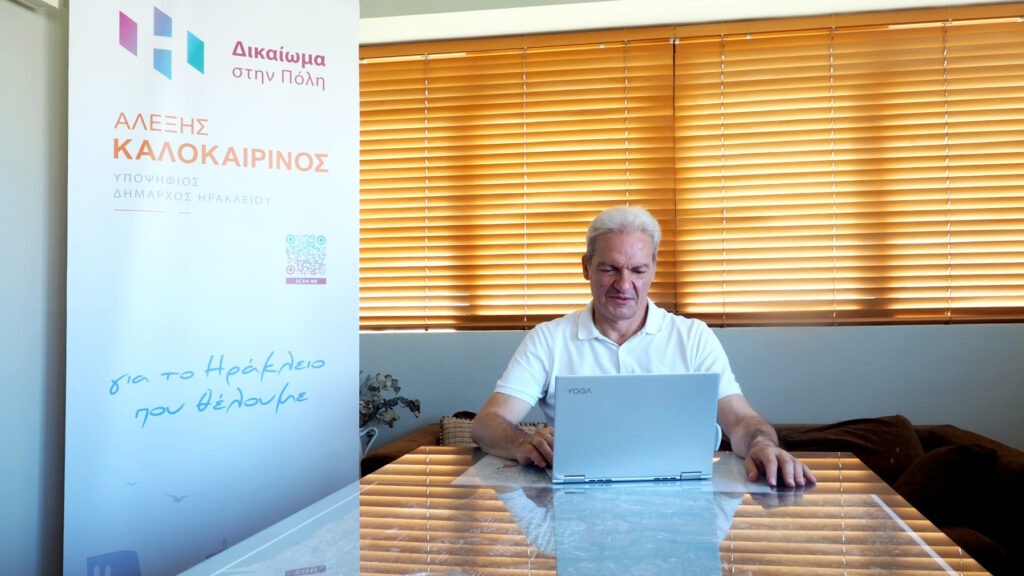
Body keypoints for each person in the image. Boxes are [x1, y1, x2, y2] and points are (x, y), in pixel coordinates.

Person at [471, 205, 816, 488]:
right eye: (610, 269)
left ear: (653, 269)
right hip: (577, 498)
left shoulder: (693, 336)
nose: (624, 285)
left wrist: (762, 445)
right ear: (586, 267)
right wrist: (521, 443)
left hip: (683, 499)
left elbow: (740, 422)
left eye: (637, 270)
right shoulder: (549, 338)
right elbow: (487, 423)